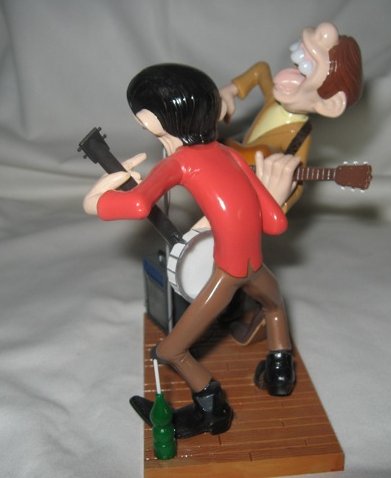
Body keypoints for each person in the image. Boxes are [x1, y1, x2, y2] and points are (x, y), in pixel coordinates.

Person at [83, 63, 300, 439]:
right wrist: (271, 195)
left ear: (155, 120)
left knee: (171, 351)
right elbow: (276, 224)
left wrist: (95, 200)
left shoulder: (180, 162)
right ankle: (281, 371)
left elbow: (138, 205)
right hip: (256, 267)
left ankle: (213, 408)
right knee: (275, 305)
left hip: (228, 274)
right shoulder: (230, 154)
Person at [218, 22, 363, 344]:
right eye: (299, 67)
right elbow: (260, 70)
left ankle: (263, 311)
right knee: (228, 257)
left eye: (305, 72)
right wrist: (230, 91)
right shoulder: (279, 96)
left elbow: (286, 173)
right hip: (235, 179)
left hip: (256, 199)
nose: (289, 77)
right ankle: (234, 308)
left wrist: (278, 198)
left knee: (241, 261)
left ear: (328, 104)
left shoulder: (299, 137)